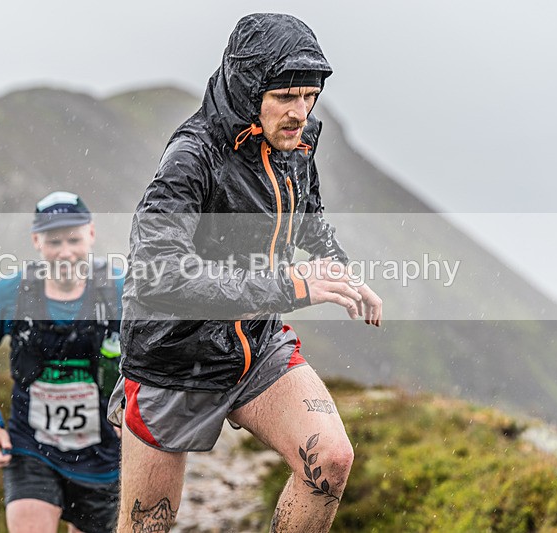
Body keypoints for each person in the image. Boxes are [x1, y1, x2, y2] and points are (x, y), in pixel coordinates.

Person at [107, 13, 383, 533]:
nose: (301, 112)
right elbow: (158, 276)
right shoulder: (192, 157)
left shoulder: (298, 140)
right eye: (286, 96)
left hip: (256, 342)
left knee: (330, 460)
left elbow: (308, 215)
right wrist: (291, 285)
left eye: (310, 95)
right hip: (174, 355)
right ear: (247, 87)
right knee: (148, 526)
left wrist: (341, 270)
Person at [0, 191, 122, 533]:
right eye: (54, 242)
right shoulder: (7, 295)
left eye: (74, 239)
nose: (65, 251)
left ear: (91, 234)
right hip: (32, 448)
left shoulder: (120, 292)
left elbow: (156, 357)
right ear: (36, 241)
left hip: (105, 458)